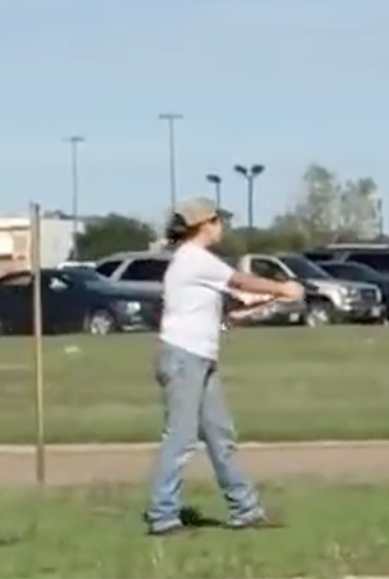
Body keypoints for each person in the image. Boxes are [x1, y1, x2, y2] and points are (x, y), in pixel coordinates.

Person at [145, 198, 304, 536]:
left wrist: (256, 307)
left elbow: (229, 302)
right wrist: (283, 287)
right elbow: (241, 281)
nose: (222, 227)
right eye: (217, 221)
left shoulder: (196, 263)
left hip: (201, 357)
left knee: (220, 435)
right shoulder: (194, 259)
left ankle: (245, 510)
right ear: (203, 225)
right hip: (184, 357)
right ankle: (162, 515)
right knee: (181, 438)